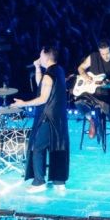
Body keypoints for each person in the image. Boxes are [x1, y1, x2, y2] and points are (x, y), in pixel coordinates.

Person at [12, 46, 69, 193]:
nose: (39, 57)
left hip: (47, 117)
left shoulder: (49, 76)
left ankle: (39, 181)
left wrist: (23, 104)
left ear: (46, 56)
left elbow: (42, 98)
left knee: (37, 147)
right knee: (57, 147)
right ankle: (58, 181)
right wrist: (37, 67)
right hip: (59, 118)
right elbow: (41, 86)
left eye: (40, 55)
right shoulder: (59, 71)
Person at [76, 41, 110, 154]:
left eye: (108, 53)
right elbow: (80, 68)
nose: (106, 56)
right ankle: (91, 120)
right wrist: (85, 76)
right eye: (103, 54)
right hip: (90, 92)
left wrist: (109, 85)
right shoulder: (93, 57)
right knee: (79, 102)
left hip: (108, 93)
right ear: (99, 52)